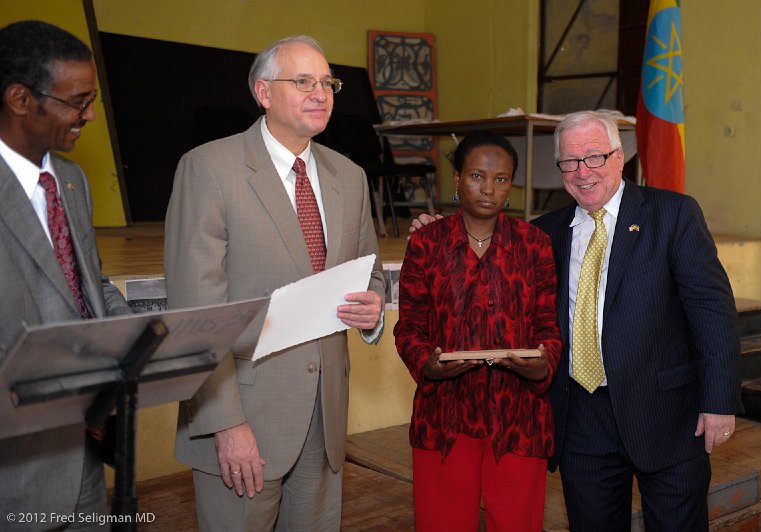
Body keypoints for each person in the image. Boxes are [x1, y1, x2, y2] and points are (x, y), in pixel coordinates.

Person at [411, 111, 742, 530]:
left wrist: (718, 401)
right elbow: (487, 253)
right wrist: (435, 229)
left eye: (594, 157)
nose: (583, 172)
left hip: (666, 415)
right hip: (581, 419)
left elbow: (713, 311)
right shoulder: (543, 233)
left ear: (620, 158)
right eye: (570, 161)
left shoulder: (672, 214)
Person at [164, 35, 385, 531]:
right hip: (244, 418)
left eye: (328, 82)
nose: (320, 93)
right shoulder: (209, 169)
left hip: (325, 421)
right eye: (303, 81)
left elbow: (370, 272)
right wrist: (226, 423)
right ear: (263, 93)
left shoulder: (348, 176)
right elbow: (196, 316)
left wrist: (372, 311)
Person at [394, 130, 562, 531]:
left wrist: (542, 366)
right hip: (444, 417)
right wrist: (427, 366)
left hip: (518, 416)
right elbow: (409, 327)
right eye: (476, 176)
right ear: (456, 178)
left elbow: (549, 327)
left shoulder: (534, 244)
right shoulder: (426, 243)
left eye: (501, 179)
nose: (488, 189)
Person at [0, 20, 132, 528]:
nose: (91, 115)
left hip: (84, 452)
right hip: (17, 462)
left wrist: (137, 338)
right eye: (78, 101)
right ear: (19, 98)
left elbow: (88, 283)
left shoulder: (71, 180)